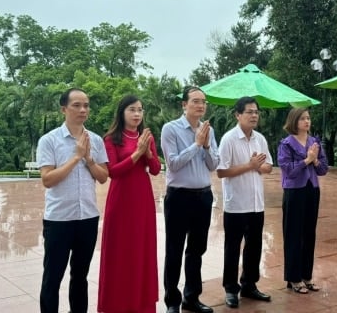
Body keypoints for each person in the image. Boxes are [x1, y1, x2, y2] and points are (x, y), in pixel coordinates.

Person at [37, 88, 109, 313]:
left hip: (87, 218)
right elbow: (48, 179)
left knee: (80, 276)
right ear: (64, 109)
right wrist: (76, 156)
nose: (83, 110)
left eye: (86, 105)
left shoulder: (95, 140)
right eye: (77, 105)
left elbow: (103, 176)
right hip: (59, 219)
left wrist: (88, 159)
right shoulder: (49, 140)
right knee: (53, 277)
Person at [98, 95, 161, 313]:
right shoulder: (111, 138)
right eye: (132, 110)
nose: (137, 114)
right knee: (120, 252)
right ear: (122, 112)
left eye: (140, 110)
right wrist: (136, 154)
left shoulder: (147, 137)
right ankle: (117, 304)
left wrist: (149, 152)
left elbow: (154, 169)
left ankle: (141, 304)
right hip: (121, 200)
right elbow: (113, 172)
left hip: (142, 200)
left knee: (141, 250)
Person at [160, 86, 220, 313]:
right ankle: (172, 302)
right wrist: (196, 144)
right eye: (195, 101)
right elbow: (173, 163)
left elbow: (213, 165)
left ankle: (192, 298)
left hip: (203, 196)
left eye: (203, 102)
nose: (201, 105)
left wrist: (205, 145)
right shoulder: (171, 129)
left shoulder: (209, 131)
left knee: (197, 250)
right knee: (174, 249)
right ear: (184, 105)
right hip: (179, 197)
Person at [216, 97, 273, 308]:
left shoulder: (260, 139)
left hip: (257, 204)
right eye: (249, 112)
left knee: (254, 247)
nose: (254, 115)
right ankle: (231, 289)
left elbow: (268, 166)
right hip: (237, 205)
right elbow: (221, 171)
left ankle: (249, 285)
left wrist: (258, 166)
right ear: (237, 115)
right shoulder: (229, 139)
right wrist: (250, 165)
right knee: (233, 248)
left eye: (256, 112)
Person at [277, 107, 328, 294]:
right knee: (293, 234)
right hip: (294, 192)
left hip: (312, 190)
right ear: (294, 121)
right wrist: (307, 160)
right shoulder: (286, 144)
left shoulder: (315, 142)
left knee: (309, 234)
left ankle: (306, 276)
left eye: (308, 118)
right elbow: (288, 170)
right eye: (302, 118)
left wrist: (315, 161)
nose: (307, 121)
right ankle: (293, 278)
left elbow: (323, 169)